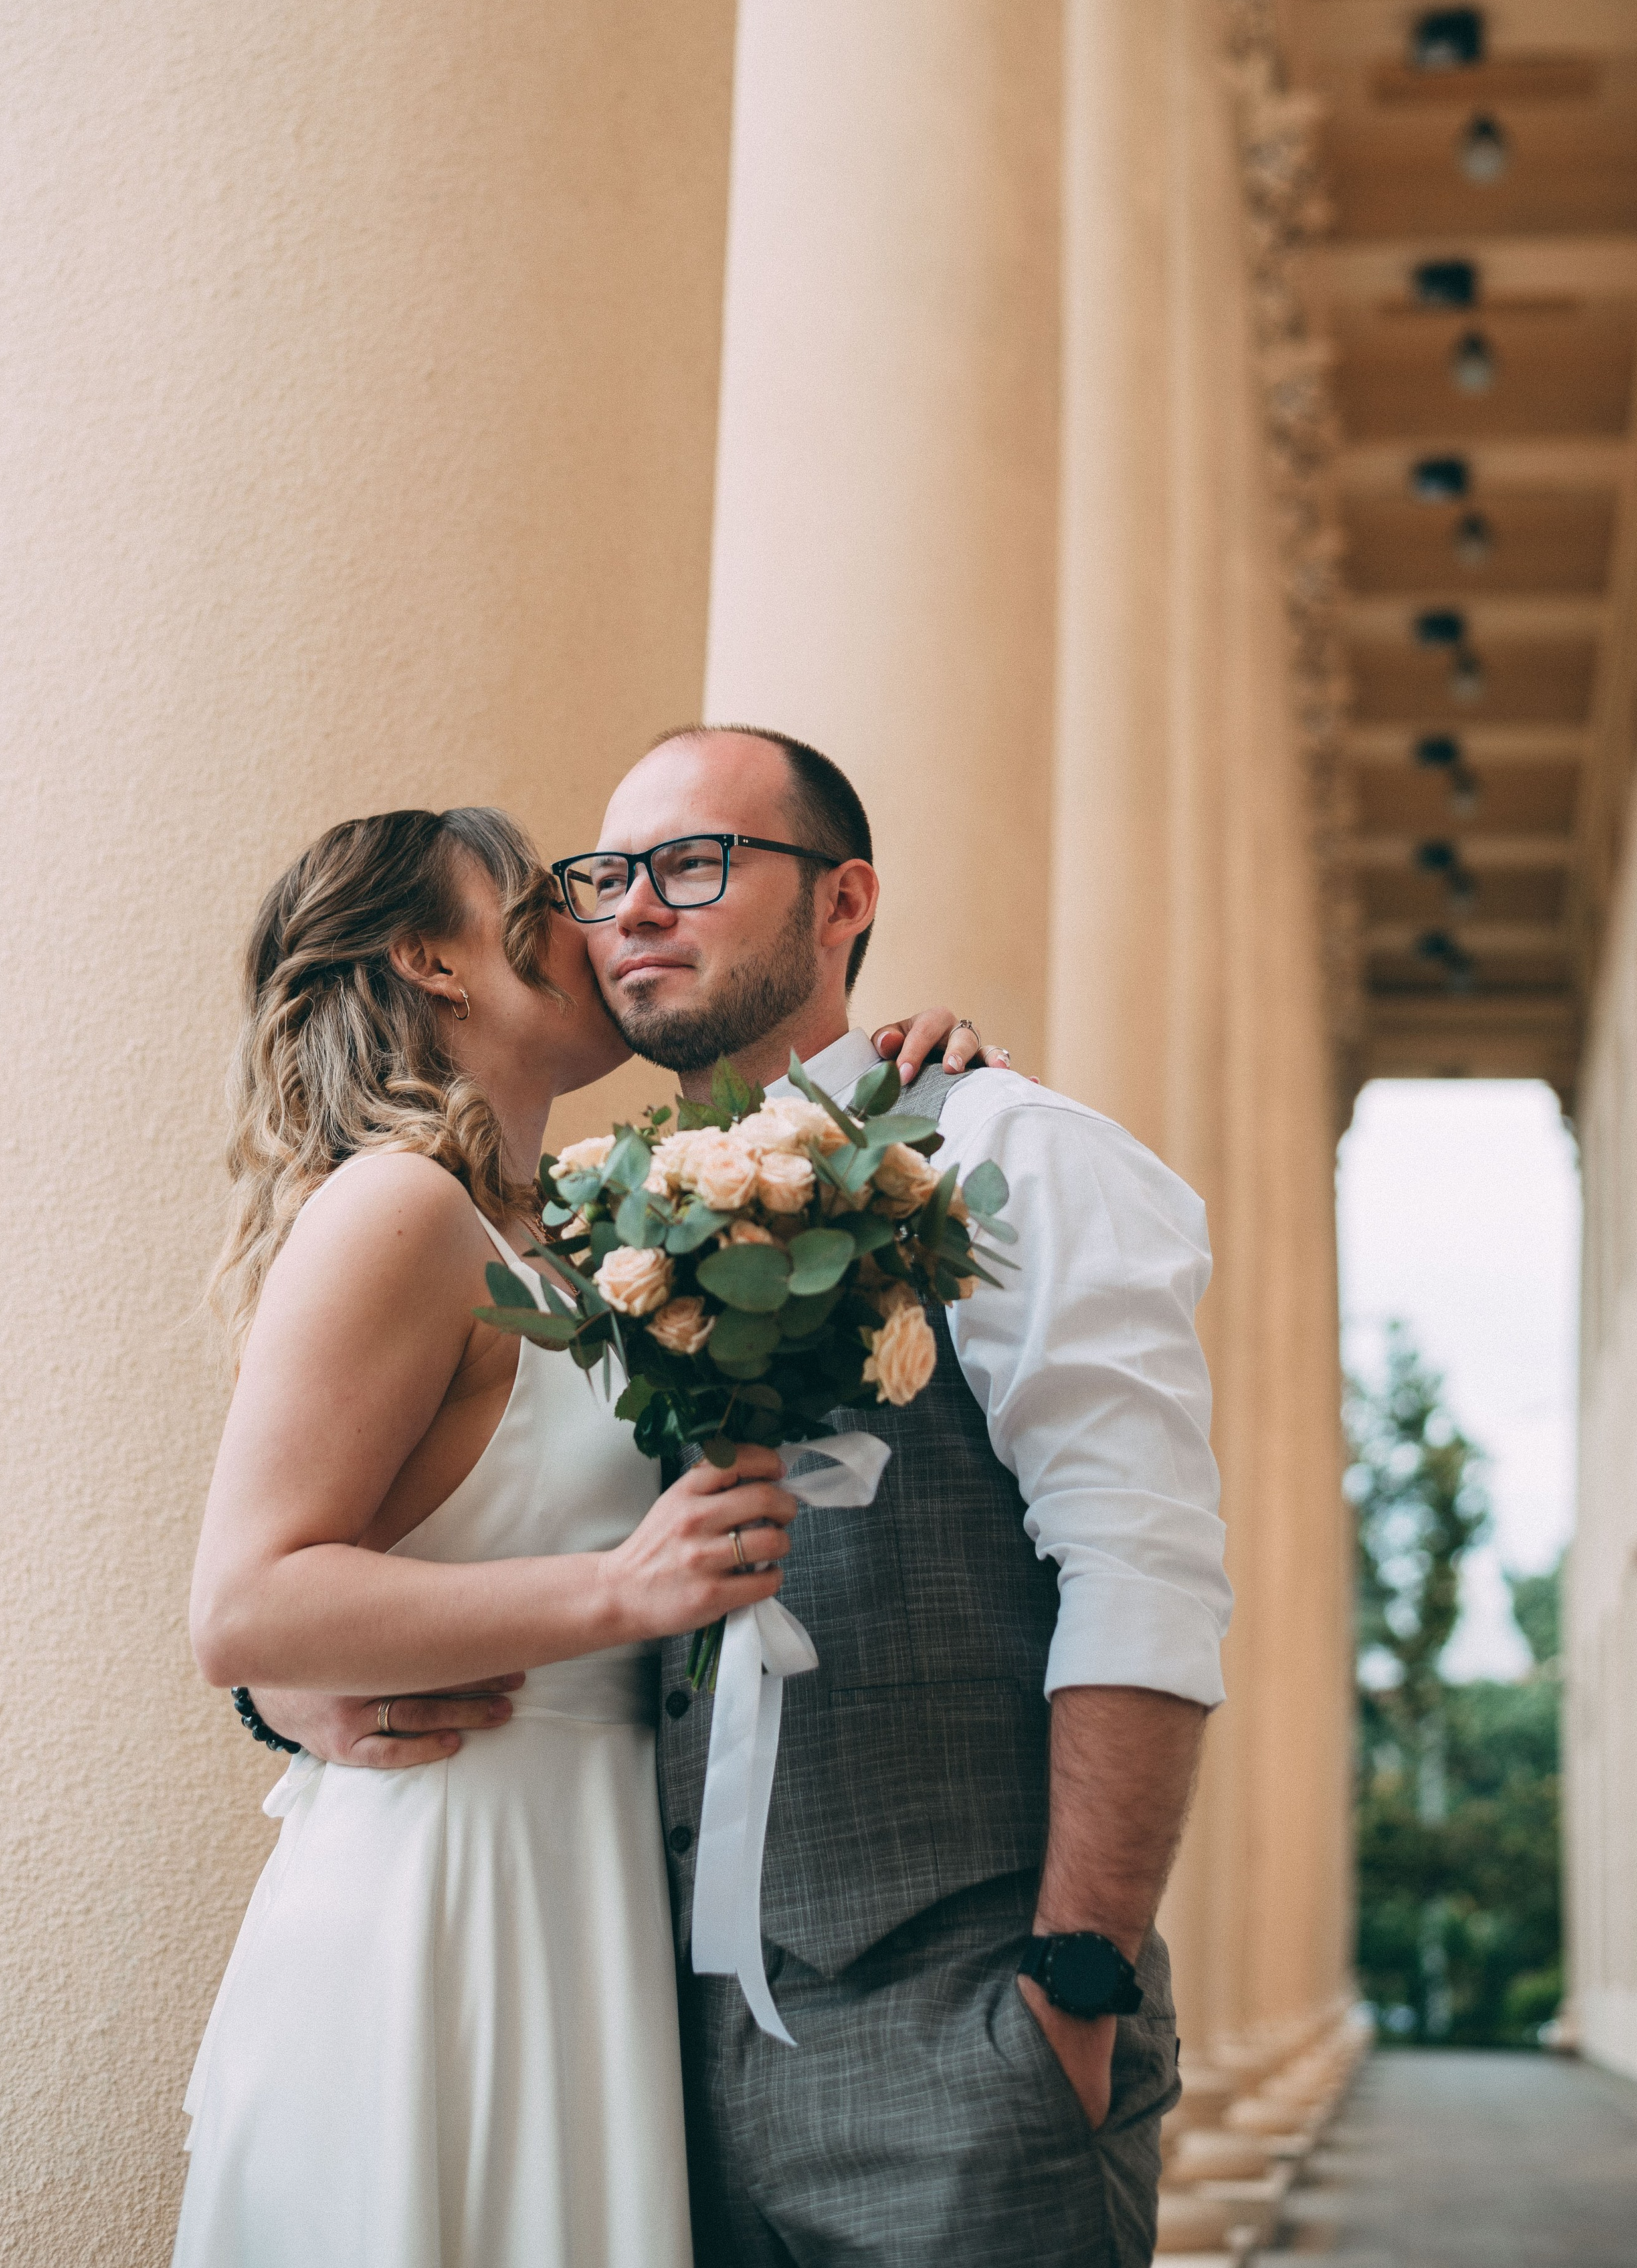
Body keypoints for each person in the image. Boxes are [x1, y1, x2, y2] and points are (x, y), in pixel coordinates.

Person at [260, 727, 1234, 2268]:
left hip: (959, 2047)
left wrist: (1071, 1986)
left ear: (842, 898)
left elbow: (1145, 1576)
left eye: (695, 863)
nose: (634, 905)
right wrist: (295, 1693)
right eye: (606, 876)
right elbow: (414, 1514)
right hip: (638, 2045)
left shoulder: (1000, 1151)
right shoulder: (581, 1222)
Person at [174, 798, 997, 2268]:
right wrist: (619, 1589)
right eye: (549, 894)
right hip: (451, 1895)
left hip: (592, 1881)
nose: (601, 921)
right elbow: (245, 1603)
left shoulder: (560, 1227)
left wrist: (886, 1070)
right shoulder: (393, 1208)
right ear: (434, 962)